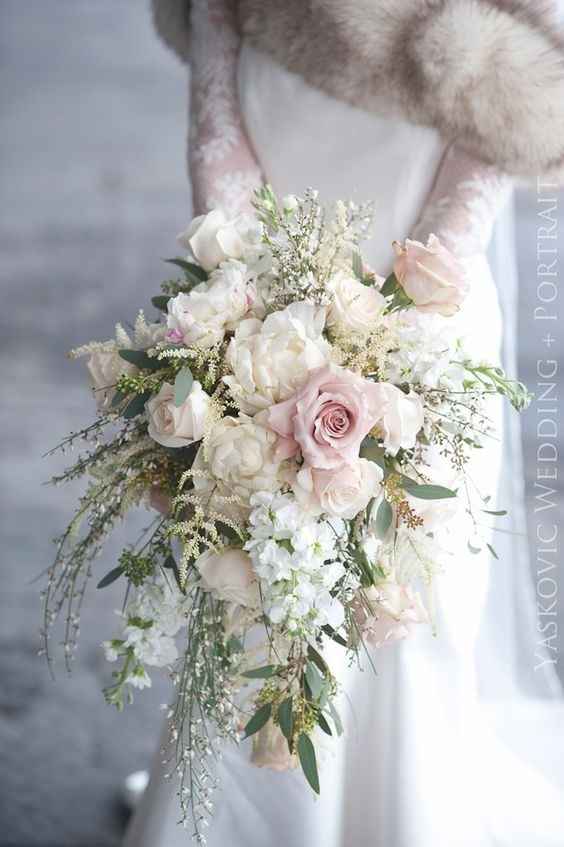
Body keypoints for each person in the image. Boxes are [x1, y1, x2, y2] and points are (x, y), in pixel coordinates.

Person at [124, 2, 564, 844]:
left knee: (412, 589)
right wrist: (247, 306)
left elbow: (516, 104)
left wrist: (401, 323)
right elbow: (216, 115)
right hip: (261, 284)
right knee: (248, 569)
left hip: (430, 300)